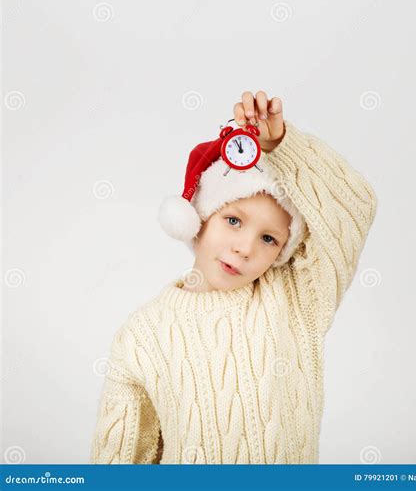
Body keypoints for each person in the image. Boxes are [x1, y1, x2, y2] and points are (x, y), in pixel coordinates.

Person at [89, 90, 378, 464]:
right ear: (199, 218)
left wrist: (281, 145)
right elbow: (120, 460)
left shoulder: (297, 299)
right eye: (234, 220)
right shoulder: (143, 334)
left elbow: (357, 205)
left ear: (282, 251)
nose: (245, 247)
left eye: (269, 238)